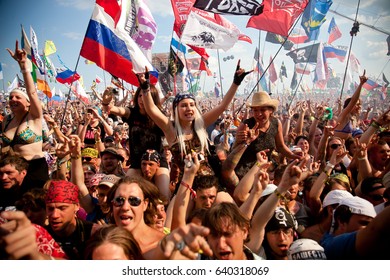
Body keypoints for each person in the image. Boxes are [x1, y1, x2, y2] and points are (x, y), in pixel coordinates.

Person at [138, 61, 252, 181]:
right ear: (176, 109)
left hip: (210, 182)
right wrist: (145, 88)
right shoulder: (170, 129)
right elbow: (151, 109)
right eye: (184, 105)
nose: (189, 108)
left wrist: (236, 83)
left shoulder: (200, 123)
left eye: (192, 105)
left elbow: (223, 106)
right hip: (186, 185)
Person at [101, 85, 170, 200]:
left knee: (163, 196)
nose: (142, 100)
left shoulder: (159, 115)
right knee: (126, 193)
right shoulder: (131, 113)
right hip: (137, 162)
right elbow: (115, 110)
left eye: (146, 96)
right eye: (140, 96)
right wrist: (106, 103)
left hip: (158, 161)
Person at [1, 41, 49, 188]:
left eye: (17, 97)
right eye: (11, 97)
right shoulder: (7, 120)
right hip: (11, 173)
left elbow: (32, 93)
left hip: (34, 169)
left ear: (28, 102)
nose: (13, 100)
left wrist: (24, 67)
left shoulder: (33, 116)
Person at [233, 91, 301, 179]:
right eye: (255, 110)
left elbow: (280, 146)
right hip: (246, 172)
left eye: (262, 110)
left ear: (271, 110)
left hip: (267, 168)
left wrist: (293, 156)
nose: (259, 114)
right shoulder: (246, 125)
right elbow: (234, 151)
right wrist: (240, 141)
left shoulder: (276, 123)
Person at [320, 195, 390, 259]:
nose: (367, 229)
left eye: (370, 224)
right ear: (341, 221)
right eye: (364, 223)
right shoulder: (329, 247)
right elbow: (374, 229)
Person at [44, 180, 97, 259]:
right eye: (50, 209)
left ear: (76, 206)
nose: (55, 215)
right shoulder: (42, 236)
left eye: (62, 208)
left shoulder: (93, 234)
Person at [333, 71, 368, 140]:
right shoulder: (344, 115)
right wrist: (361, 84)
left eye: (359, 105)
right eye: (357, 105)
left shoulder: (355, 118)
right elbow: (353, 101)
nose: (359, 107)